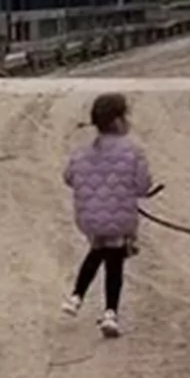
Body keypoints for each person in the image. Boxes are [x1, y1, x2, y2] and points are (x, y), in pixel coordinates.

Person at [61, 93, 153, 335]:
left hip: (90, 218)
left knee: (96, 251)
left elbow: (68, 178)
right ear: (118, 121)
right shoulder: (133, 151)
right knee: (114, 262)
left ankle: (76, 296)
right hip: (121, 218)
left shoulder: (82, 152)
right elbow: (143, 186)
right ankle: (110, 312)